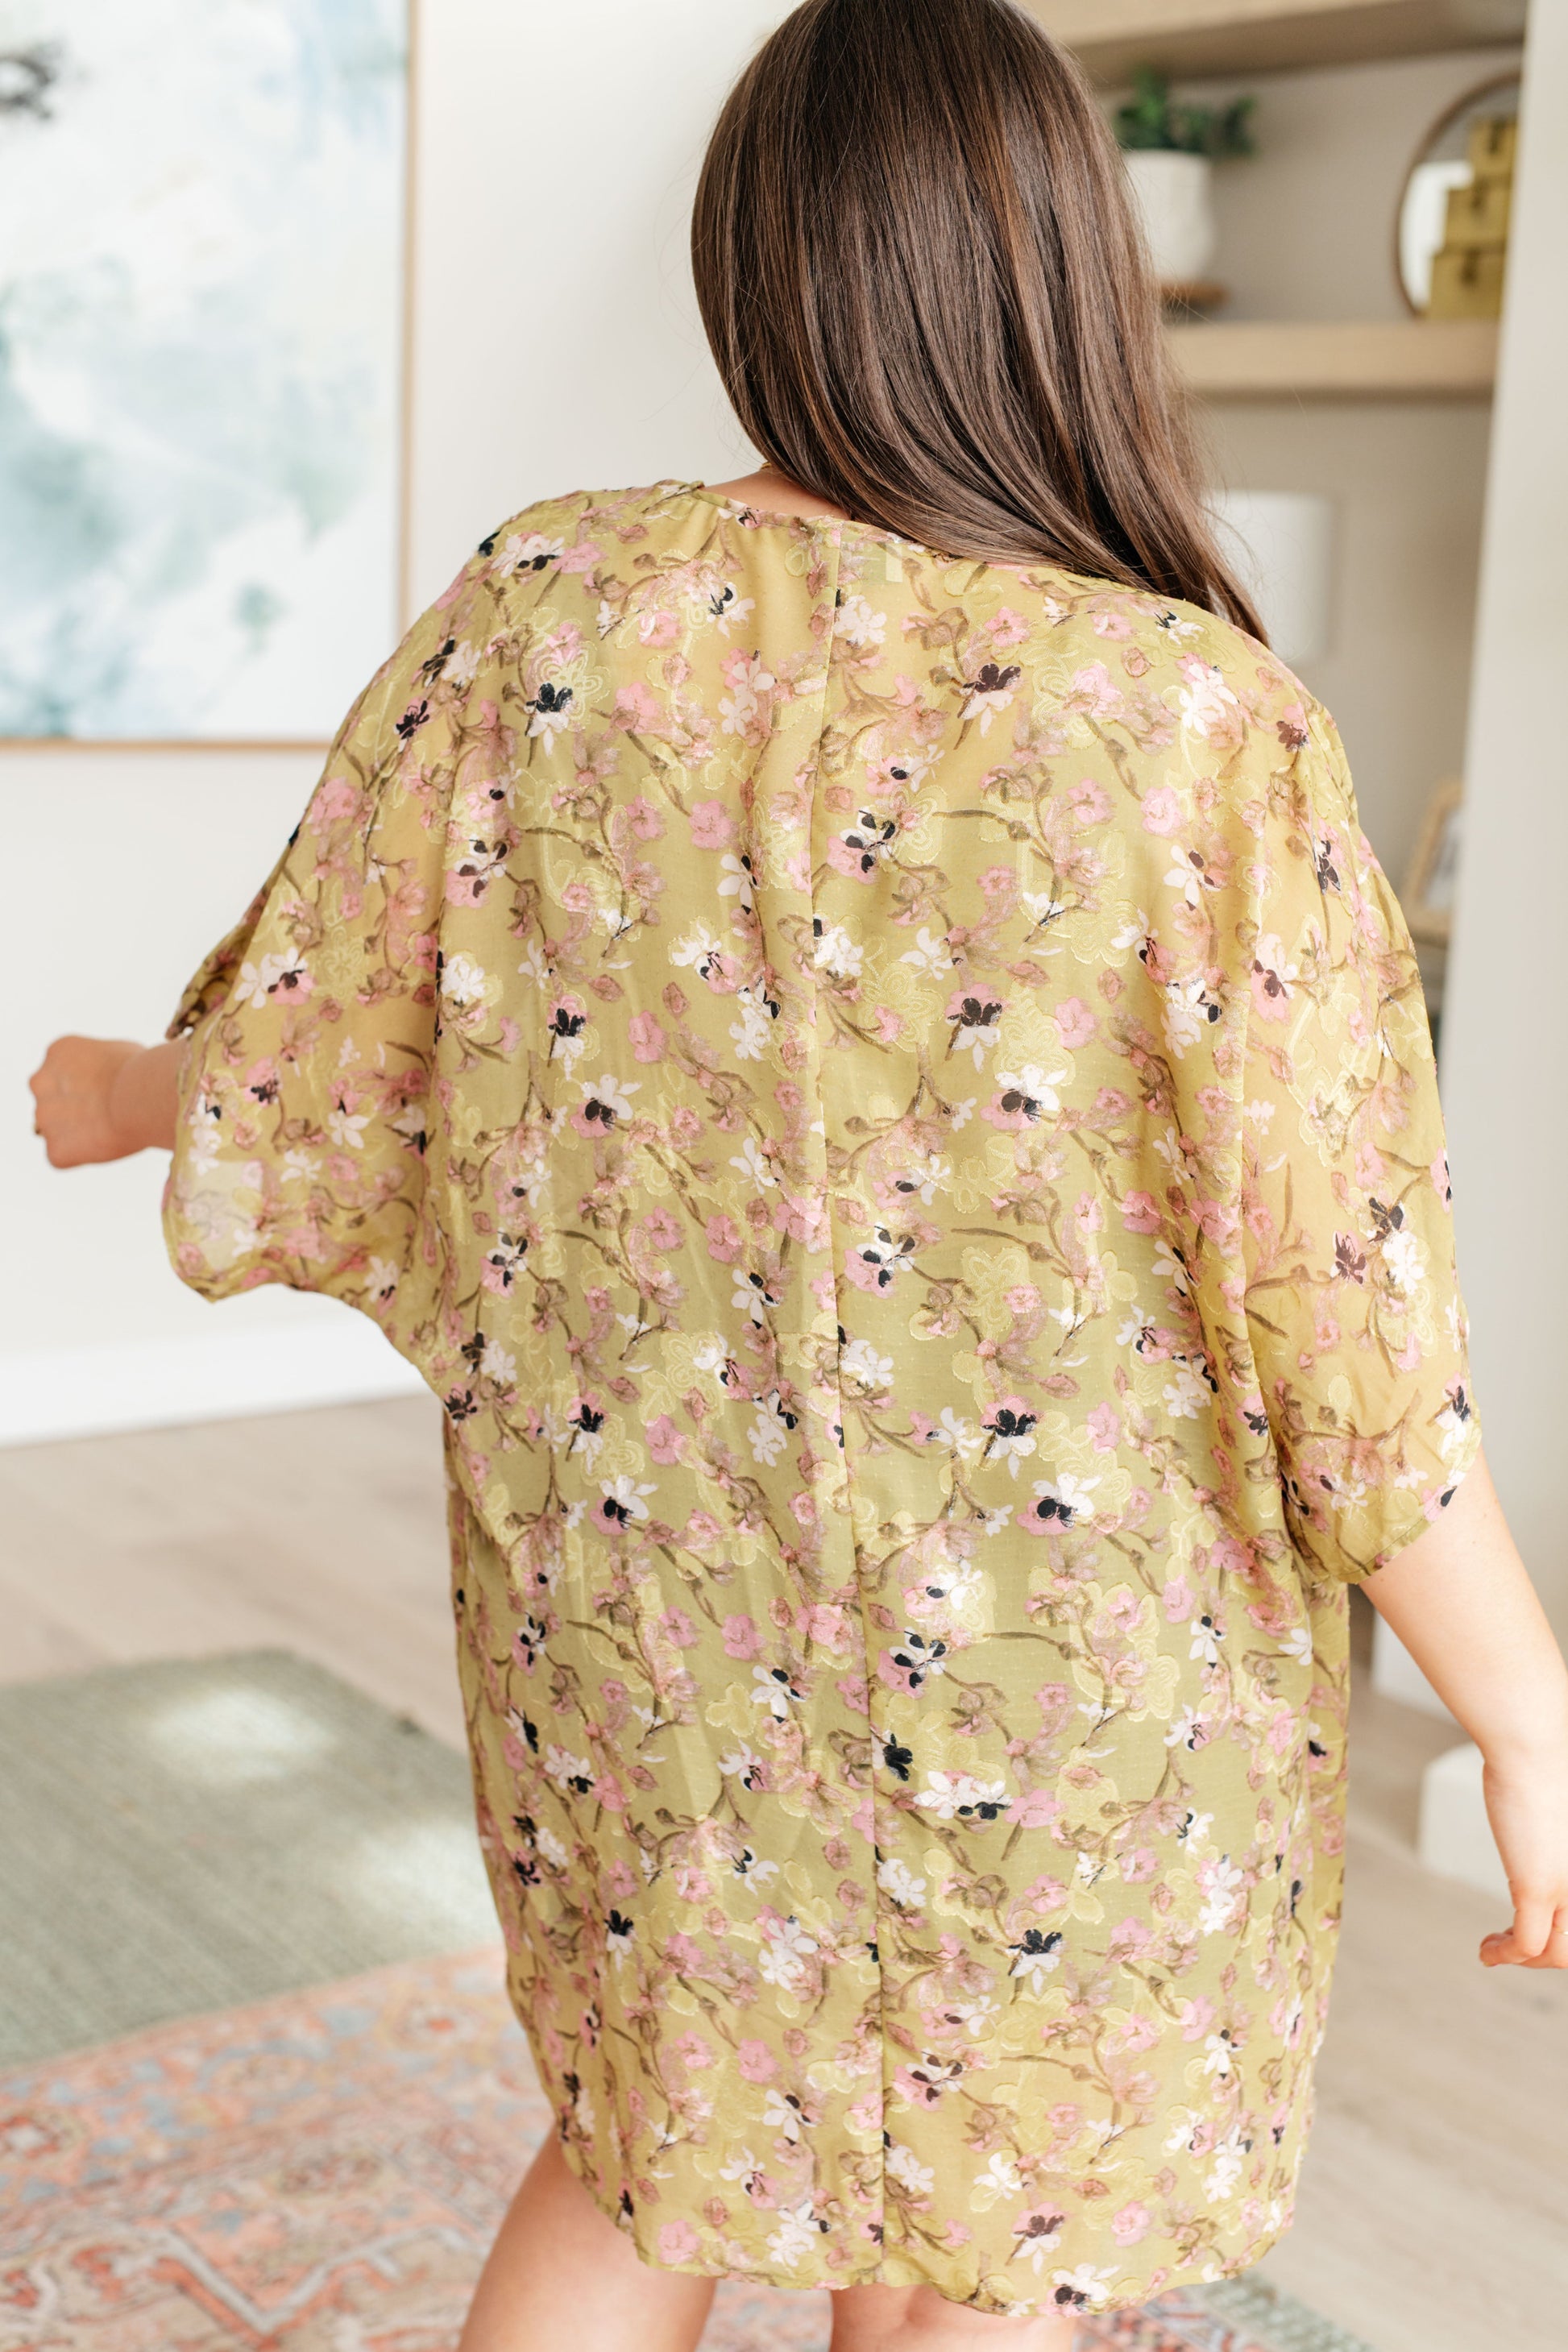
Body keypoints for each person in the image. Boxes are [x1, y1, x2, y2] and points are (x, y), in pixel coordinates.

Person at [29, 1, 1568, 2346]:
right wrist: (1521, 1712)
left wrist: (127, 1089)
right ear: (1060, 281)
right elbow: (1338, 1312)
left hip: (651, 1640)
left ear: (751, 266)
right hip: (1081, 1695)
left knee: (644, 2156)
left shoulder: (547, 618)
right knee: (979, 2240)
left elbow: (346, 1038)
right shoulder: (1192, 721)